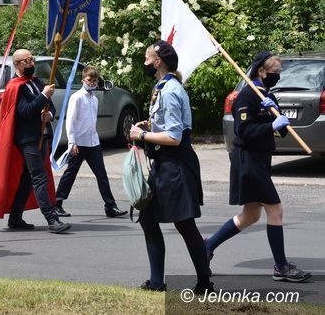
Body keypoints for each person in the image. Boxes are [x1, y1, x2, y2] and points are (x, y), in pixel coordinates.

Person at [204, 51, 311, 282]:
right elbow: (243, 131)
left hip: (261, 159)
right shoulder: (246, 96)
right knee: (276, 210)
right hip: (248, 160)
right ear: (261, 71)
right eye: (275, 72)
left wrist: (277, 115)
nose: (277, 76)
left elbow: (282, 131)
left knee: (250, 215)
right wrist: (271, 125)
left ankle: (207, 247)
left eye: (279, 73)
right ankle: (281, 267)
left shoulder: (265, 95)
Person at [129, 41, 213, 293]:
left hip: (176, 166)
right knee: (148, 219)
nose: (144, 63)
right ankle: (157, 282)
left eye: (147, 58)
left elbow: (174, 137)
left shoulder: (170, 91)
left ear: (158, 62)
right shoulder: (163, 87)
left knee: (184, 224)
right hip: (165, 164)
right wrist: (150, 126)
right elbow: (167, 126)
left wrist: (141, 135)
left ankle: (204, 283)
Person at [0, 49, 70, 233]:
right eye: (27, 60)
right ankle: (52, 219)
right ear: (17, 64)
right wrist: (43, 96)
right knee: (39, 177)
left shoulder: (36, 82)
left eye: (32, 59)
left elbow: (50, 107)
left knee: (27, 179)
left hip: (41, 135)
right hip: (26, 139)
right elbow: (24, 111)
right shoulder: (15, 87)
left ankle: (15, 217)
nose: (32, 63)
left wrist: (48, 115)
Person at [54, 65, 127, 219]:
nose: (92, 83)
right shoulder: (77, 97)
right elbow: (70, 121)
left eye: (95, 80)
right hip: (79, 142)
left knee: (102, 175)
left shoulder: (94, 99)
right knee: (70, 173)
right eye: (89, 80)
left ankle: (110, 206)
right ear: (83, 80)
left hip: (93, 142)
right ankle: (57, 203)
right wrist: (72, 142)